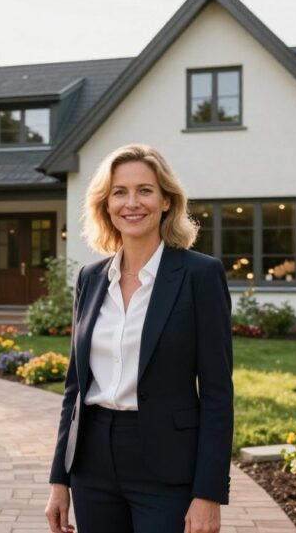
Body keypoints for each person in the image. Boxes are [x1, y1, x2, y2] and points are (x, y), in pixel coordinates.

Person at [44, 144, 234, 533]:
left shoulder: (200, 275)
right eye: (119, 192)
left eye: (145, 190)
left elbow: (217, 392)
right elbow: (75, 387)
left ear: (166, 201)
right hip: (92, 464)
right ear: (106, 205)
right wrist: (59, 479)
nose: (132, 203)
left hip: (167, 465)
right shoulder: (90, 278)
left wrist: (208, 493)